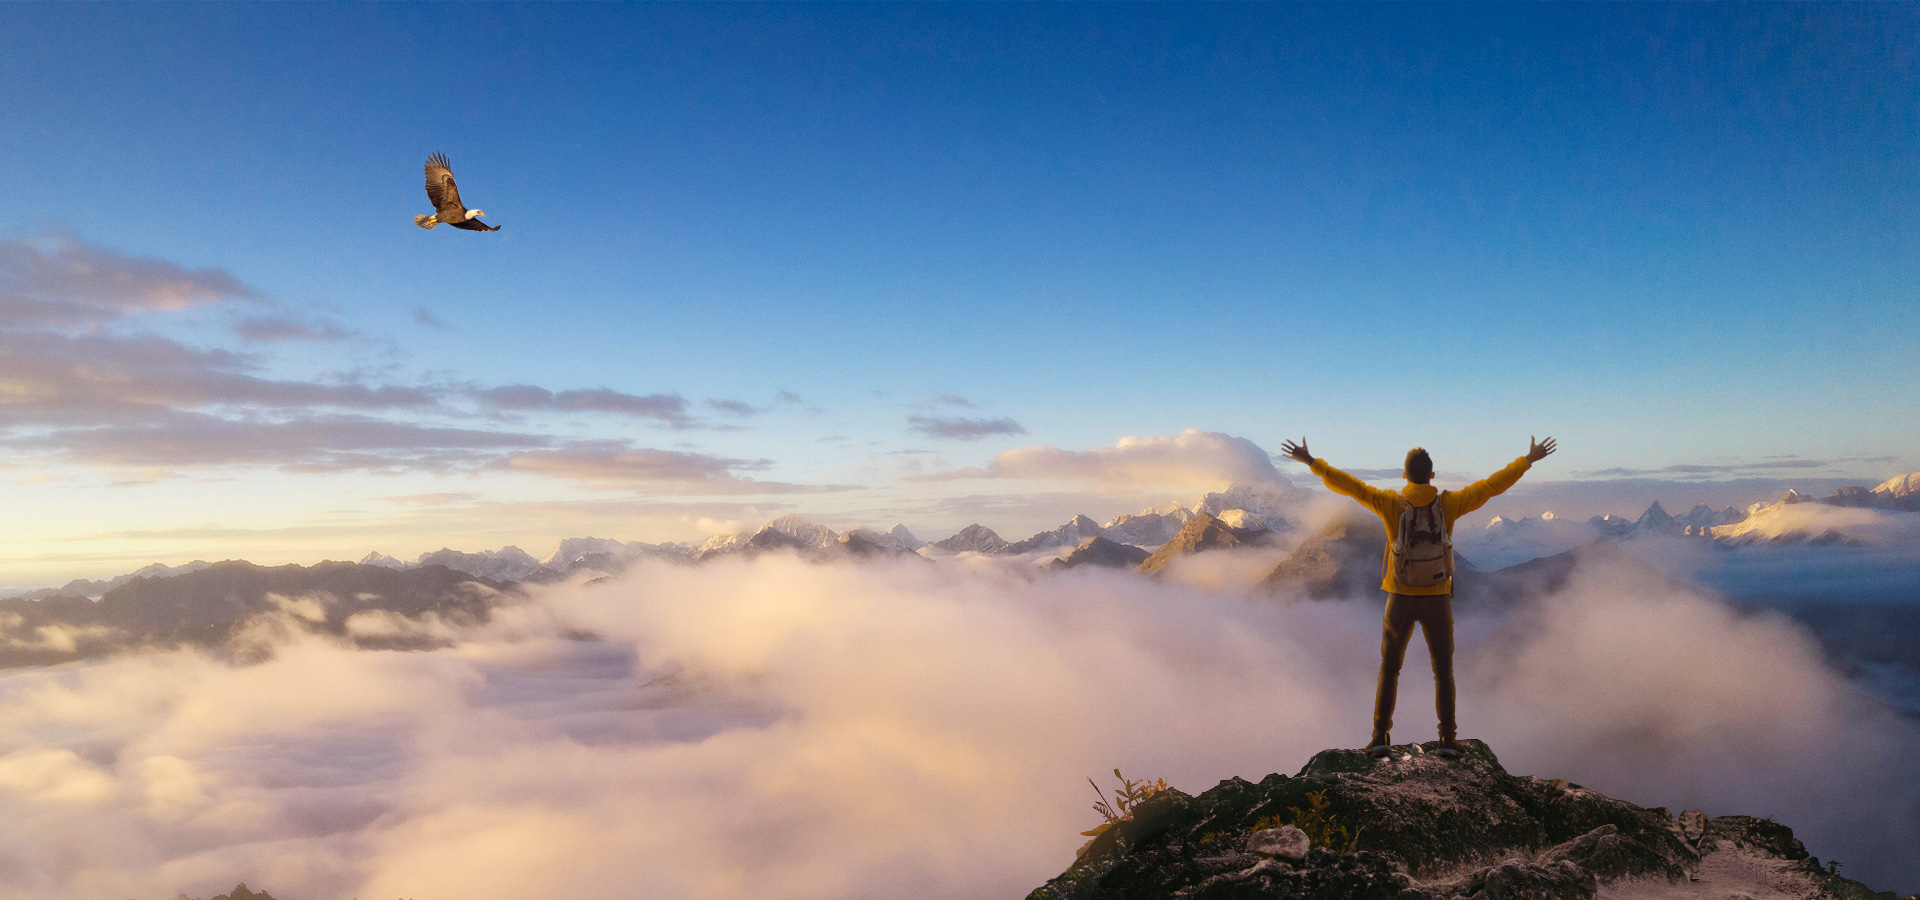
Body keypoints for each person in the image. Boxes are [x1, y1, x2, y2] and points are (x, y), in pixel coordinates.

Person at [1279, 436, 1556, 760]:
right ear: (1433, 477)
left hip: (1399, 596)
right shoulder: (1449, 504)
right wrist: (1527, 459)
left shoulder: (1390, 503)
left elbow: (1351, 486)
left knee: (1390, 669)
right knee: (1443, 671)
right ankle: (1448, 740)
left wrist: (1313, 462)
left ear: (1404, 477)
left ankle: (1380, 737)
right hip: (1438, 597)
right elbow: (1491, 486)